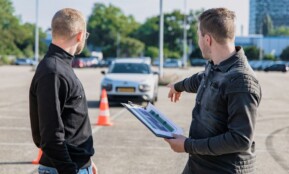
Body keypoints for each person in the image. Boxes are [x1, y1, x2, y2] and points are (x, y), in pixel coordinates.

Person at [165, 8, 262, 174]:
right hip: (199, 164)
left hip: (223, 170)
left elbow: (240, 139)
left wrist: (187, 145)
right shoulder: (217, 65)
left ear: (207, 39)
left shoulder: (242, 82)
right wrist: (179, 86)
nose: (198, 41)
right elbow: (203, 79)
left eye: (198, 36)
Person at [29, 8, 97, 174]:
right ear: (80, 35)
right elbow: (50, 136)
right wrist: (70, 170)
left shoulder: (60, 67)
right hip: (63, 169)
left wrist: (87, 160)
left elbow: (70, 123)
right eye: (86, 36)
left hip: (76, 165)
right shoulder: (53, 71)